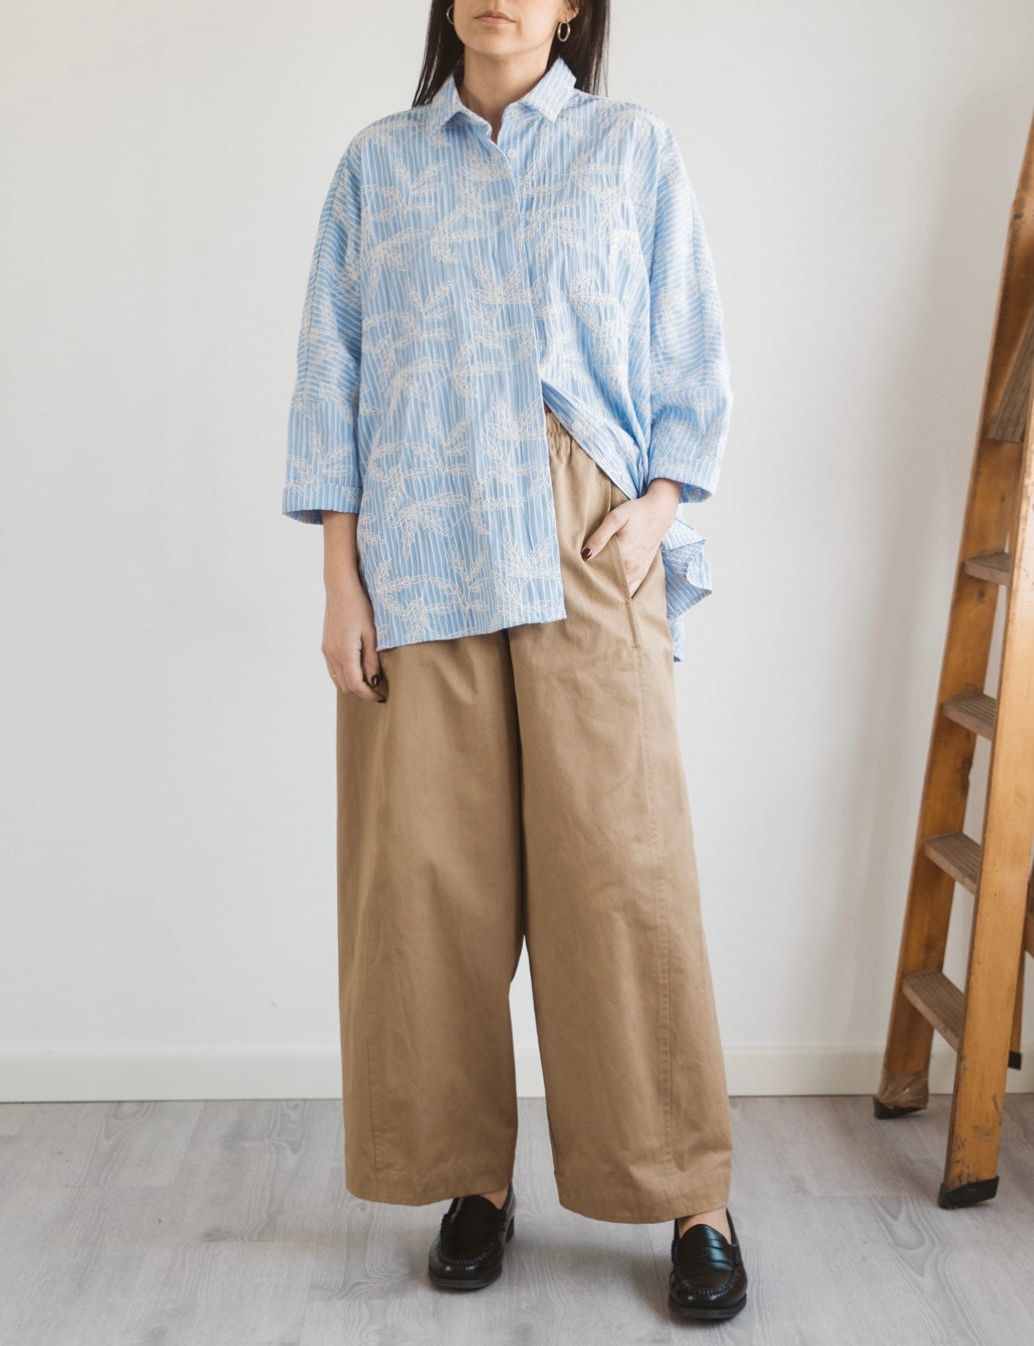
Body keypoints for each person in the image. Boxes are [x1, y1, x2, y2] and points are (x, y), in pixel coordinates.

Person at [282, 0, 747, 1322]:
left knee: (624, 871)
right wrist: (339, 580)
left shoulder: (628, 147)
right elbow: (331, 375)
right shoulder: (377, 165)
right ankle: (469, 1181)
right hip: (417, 540)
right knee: (430, 881)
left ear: (570, 9)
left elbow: (688, 342)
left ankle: (692, 1195)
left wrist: (656, 508)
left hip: (584, 533)